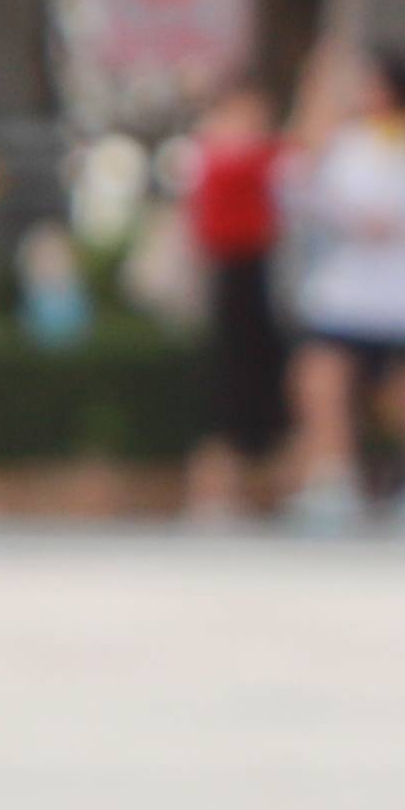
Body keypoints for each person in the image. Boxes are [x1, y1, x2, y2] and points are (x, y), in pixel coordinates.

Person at [283, 44, 405, 527]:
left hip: (404, 297)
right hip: (346, 297)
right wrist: (317, 86)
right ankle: (333, 480)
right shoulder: (348, 141)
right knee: (321, 379)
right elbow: (301, 177)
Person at [172, 74, 287, 519]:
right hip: (231, 275)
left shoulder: (252, 153)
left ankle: (258, 490)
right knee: (225, 387)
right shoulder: (215, 154)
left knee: (259, 387)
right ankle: (214, 492)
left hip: (260, 276)